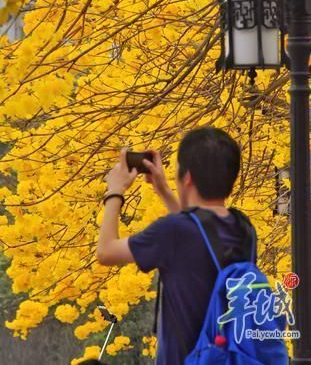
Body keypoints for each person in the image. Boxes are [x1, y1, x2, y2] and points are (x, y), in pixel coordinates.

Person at [96, 126, 257, 364]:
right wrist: (162, 190)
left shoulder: (172, 231)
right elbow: (199, 232)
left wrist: (115, 191)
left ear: (188, 177)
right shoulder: (244, 228)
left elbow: (106, 252)